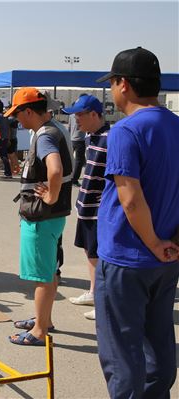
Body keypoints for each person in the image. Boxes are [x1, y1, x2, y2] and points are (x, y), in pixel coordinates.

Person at [94, 47, 179, 398]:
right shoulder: (175, 125)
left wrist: (153, 242)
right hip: (167, 259)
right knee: (158, 348)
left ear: (124, 84)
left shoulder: (126, 131)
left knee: (122, 355)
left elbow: (130, 198)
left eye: (113, 82)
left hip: (127, 257)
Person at [6, 87, 72, 346]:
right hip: (53, 217)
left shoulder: (44, 136)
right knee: (50, 270)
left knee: (41, 277)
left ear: (30, 111)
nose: (17, 120)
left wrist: (50, 197)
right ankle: (43, 319)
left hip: (41, 218)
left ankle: (39, 331)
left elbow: (54, 169)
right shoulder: (56, 128)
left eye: (18, 114)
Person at [60, 95, 109, 321]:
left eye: (80, 115)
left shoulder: (110, 138)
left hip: (99, 210)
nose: (76, 120)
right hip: (86, 207)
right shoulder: (92, 137)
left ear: (94, 114)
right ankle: (93, 292)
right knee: (90, 253)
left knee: (98, 257)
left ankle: (104, 302)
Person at [69, 94, 88, 187]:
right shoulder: (81, 113)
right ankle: (74, 180)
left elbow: (69, 127)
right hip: (80, 139)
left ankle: (68, 177)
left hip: (71, 138)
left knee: (69, 159)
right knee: (78, 161)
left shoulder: (71, 115)